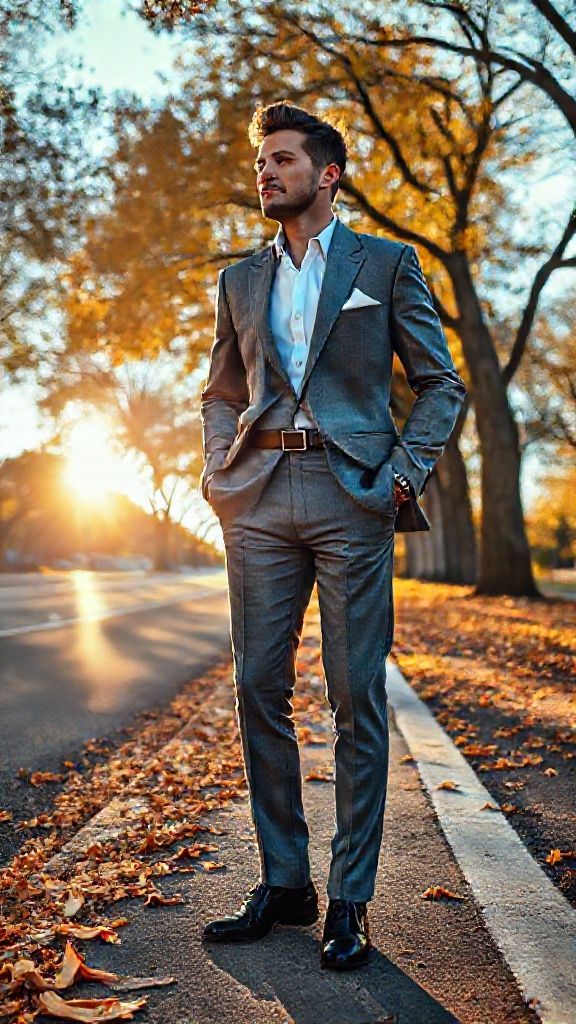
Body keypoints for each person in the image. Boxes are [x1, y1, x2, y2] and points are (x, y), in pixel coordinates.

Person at [199, 101, 467, 969]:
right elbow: (220, 390)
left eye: (280, 160)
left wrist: (403, 472)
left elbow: (440, 383)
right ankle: (286, 881)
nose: (265, 174)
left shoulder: (385, 263)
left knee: (355, 697)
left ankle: (349, 897)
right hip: (260, 494)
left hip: (354, 494)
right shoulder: (241, 279)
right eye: (260, 164)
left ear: (328, 174)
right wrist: (216, 469)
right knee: (257, 687)